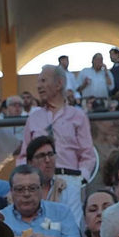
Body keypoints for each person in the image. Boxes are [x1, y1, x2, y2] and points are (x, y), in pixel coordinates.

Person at [20, 66, 98, 200]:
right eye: (38, 82)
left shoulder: (78, 116)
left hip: (71, 182)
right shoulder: (33, 118)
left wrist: (81, 179)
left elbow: (88, 154)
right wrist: (25, 180)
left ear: (59, 84)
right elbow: (23, 156)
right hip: (39, 185)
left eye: (43, 81)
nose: (39, 86)